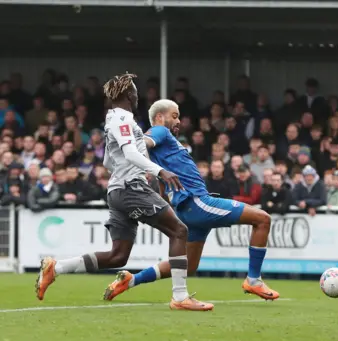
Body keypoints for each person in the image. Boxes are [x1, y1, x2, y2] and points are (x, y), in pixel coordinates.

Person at [34, 74, 213, 311]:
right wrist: (160, 171)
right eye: (136, 92)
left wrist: (133, 168)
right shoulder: (123, 119)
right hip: (131, 188)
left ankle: (55, 268)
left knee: (118, 256)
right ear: (129, 95)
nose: (138, 96)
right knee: (179, 231)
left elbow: (109, 160)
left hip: (118, 190)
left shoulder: (112, 120)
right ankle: (180, 297)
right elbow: (129, 154)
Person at [103, 99, 279, 302]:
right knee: (262, 219)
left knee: (188, 265)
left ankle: (130, 280)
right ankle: (254, 280)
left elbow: (161, 187)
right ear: (160, 117)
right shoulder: (160, 131)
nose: (178, 121)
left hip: (187, 210)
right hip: (197, 203)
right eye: (174, 116)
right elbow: (144, 142)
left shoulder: (164, 149)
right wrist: (128, 146)